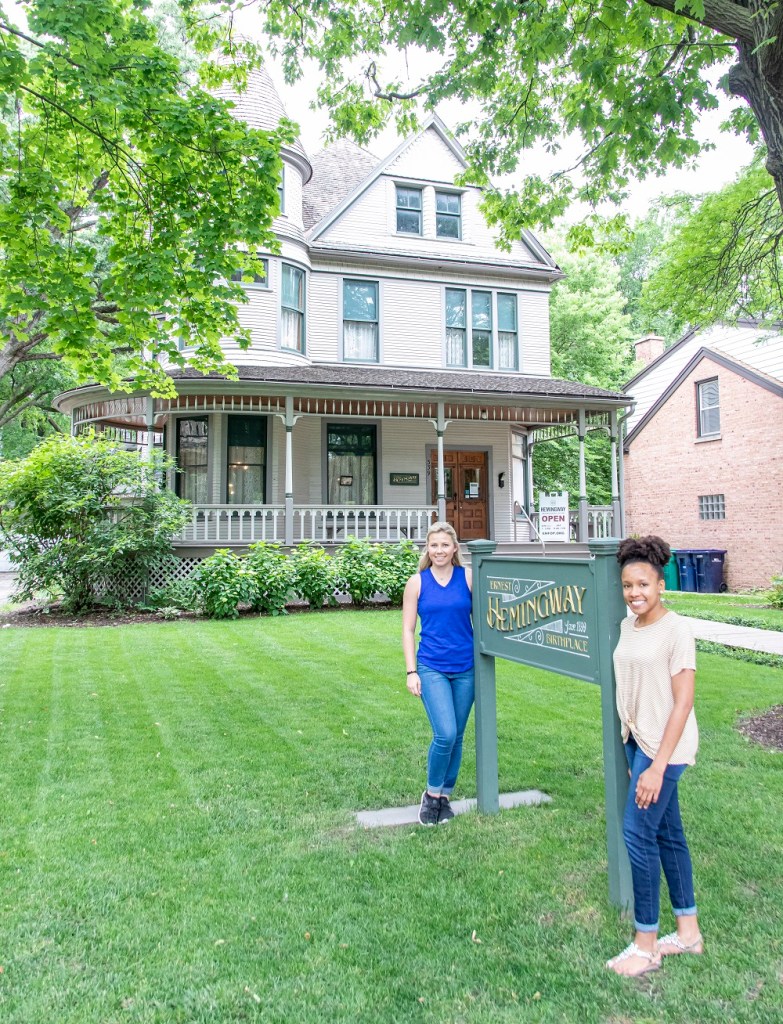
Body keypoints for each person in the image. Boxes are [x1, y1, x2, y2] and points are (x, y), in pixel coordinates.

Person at [607, 535, 704, 977]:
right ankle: (688, 933)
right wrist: (632, 746)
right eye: (628, 586)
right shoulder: (630, 626)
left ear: (660, 584)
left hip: (666, 747)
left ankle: (645, 944)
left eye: (643, 585)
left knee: (637, 835)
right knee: (668, 835)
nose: (635, 593)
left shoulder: (676, 629)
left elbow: (683, 703)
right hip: (639, 742)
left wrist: (657, 766)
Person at [402, 521, 474, 826]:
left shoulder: (469, 577)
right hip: (432, 667)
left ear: (455, 548)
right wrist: (411, 671)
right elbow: (407, 630)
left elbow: (486, 619)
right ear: (427, 549)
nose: (439, 550)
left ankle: (445, 796)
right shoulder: (417, 582)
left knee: (457, 736)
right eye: (434, 545)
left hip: (467, 668)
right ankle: (430, 797)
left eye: (445, 545)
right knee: (444, 733)